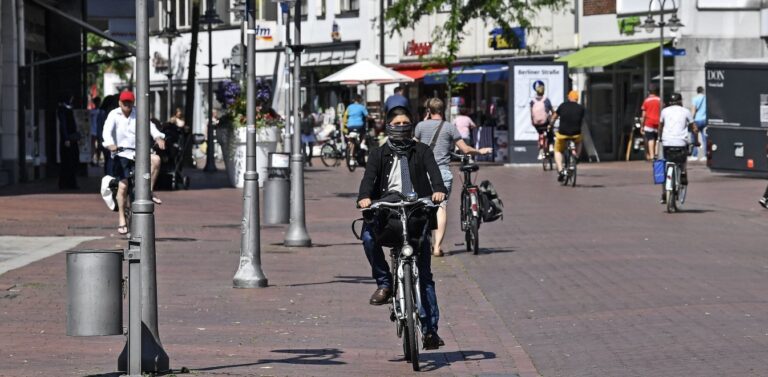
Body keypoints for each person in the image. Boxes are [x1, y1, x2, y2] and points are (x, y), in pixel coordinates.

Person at [357, 105, 447, 349]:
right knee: (367, 236)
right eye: (396, 124)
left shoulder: (422, 151)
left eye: (405, 123)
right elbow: (368, 180)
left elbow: (435, 176)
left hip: (416, 214)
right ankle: (385, 283)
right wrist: (365, 197)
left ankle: (430, 331)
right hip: (388, 214)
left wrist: (438, 190)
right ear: (388, 126)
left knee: (425, 276)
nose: (401, 127)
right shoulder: (378, 154)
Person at [414, 98, 492, 257]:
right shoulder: (450, 127)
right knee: (441, 207)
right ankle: (437, 247)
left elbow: (413, 146)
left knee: (422, 206)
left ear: (429, 111)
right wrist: (481, 151)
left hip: (423, 173)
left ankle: (422, 242)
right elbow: (465, 149)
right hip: (442, 173)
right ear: (443, 111)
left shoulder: (420, 126)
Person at [102, 91, 167, 234]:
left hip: (139, 152)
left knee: (156, 160)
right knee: (123, 186)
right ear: (119, 102)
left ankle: (149, 191)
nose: (127, 105)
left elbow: (150, 126)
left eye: (129, 102)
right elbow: (106, 132)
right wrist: (110, 144)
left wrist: (157, 137)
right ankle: (121, 218)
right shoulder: (114, 114)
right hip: (121, 153)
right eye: (124, 102)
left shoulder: (138, 112)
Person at [658, 92, 699, 204]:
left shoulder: (664, 111)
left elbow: (660, 127)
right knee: (682, 160)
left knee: (665, 166)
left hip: (667, 143)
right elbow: (694, 128)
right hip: (681, 143)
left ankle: (663, 194)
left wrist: (660, 138)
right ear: (680, 101)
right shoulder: (686, 111)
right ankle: (683, 173)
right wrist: (697, 141)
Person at [550, 90, 585, 182]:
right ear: (577, 99)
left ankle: (561, 170)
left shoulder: (563, 106)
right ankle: (576, 156)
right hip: (576, 134)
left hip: (563, 134)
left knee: (557, 150)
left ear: (569, 97)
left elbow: (554, 117)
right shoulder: (581, 108)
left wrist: (550, 124)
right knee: (580, 141)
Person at [57, 94, 80, 190]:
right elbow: (63, 125)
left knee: (71, 161)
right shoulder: (63, 110)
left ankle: (69, 182)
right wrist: (66, 138)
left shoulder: (67, 109)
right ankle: (67, 183)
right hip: (68, 140)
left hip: (70, 139)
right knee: (68, 161)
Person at [530, 80, 554, 159]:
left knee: (540, 134)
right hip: (545, 122)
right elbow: (552, 111)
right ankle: (551, 146)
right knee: (550, 131)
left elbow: (531, 113)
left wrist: (532, 121)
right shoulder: (546, 100)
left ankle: (540, 152)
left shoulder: (532, 101)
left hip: (537, 124)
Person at [343, 95, 369, 166]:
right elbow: (367, 116)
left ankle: (351, 158)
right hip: (359, 126)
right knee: (364, 132)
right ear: (360, 100)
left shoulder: (349, 107)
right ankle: (362, 143)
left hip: (350, 126)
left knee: (351, 140)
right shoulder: (362, 107)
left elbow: (346, 116)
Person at [641, 85, 662, 161]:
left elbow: (643, 114)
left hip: (649, 123)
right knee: (657, 139)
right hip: (658, 122)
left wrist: (642, 125)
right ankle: (656, 155)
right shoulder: (660, 100)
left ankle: (652, 156)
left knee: (650, 139)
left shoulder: (646, 101)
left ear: (648, 92)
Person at [690, 86, 707, 160]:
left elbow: (693, 110)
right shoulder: (706, 98)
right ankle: (705, 155)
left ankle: (694, 155)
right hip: (705, 120)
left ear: (697, 91)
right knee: (705, 138)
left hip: (697, 120)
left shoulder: (695, 99)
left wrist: (691, 119)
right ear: (703, 91)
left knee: (694, 137)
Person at [89, 97, 107, 166]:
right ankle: (92, 159)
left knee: (99, 146)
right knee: (93, 146)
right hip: (93, 131)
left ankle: (97, 159)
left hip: (99, 131)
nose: (98, 104)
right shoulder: (92, 112)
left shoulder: (102, 112)